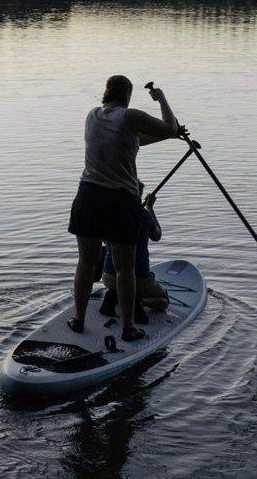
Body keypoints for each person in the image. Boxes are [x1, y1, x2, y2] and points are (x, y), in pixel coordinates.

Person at [67, 75, 179, 342]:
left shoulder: (92, 116)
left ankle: (79, 319)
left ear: (106, 93)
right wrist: (161, 98)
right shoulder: (129, 116)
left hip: (89, 196)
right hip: (120, 200)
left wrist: (167, 137)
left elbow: (132, 140)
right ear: (128, 94)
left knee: (85, 262)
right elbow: (169, 126)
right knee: (125, 268)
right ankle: (128, 329)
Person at [99, 191, 170, 323]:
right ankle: (140, 301)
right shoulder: (144, 215)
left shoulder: (109, 214)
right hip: (139, 278)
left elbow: (104, 240)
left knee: (119, 284)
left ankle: (113, 295)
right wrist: (150, 208)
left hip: (108, 276)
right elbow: (157, 236)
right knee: (164, 301)